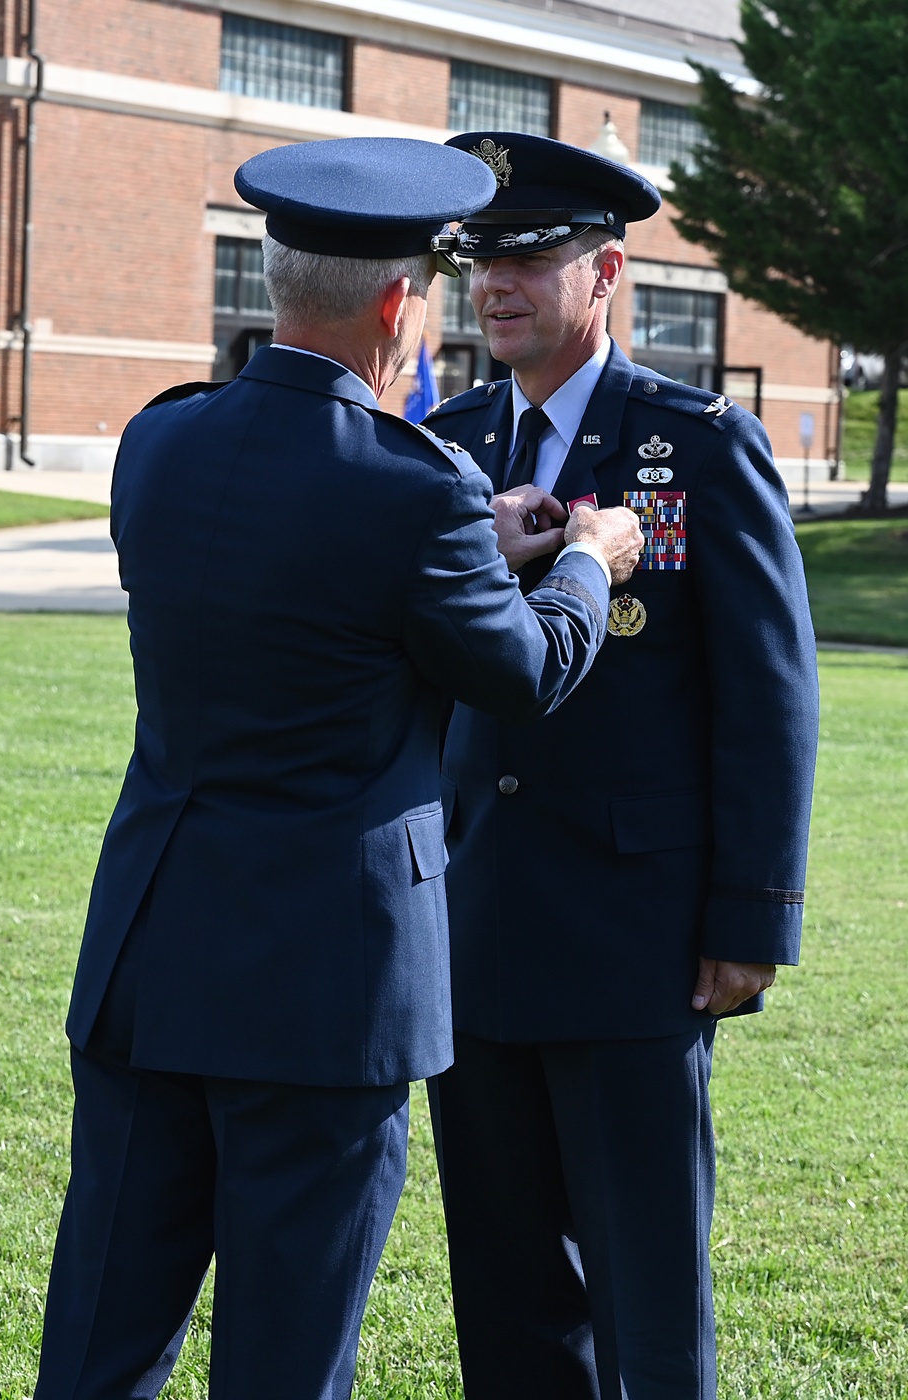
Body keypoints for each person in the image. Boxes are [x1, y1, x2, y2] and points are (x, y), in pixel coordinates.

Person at [31, 136, 645, 1400]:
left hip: (153, 954)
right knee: (287, 1355)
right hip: (326, 992)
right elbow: (522, 672)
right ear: (395, 303)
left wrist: (467, 547)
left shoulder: (162, 442)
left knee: (100, 1336)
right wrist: (587, 556)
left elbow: (292, 562)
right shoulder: (415, 491)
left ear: (274, 283)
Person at [425, 131, 819, 1400]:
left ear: (607, 275)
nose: (497, 281)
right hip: (471, 921)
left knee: (649, 1286)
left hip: (635, 937)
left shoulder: (695, 447)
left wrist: (749, 915)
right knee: (503, 1285)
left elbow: (766, 699)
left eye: (532, 255)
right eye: (482, 254)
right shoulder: (448, 446)